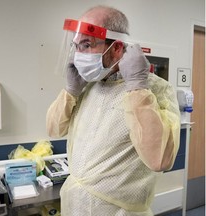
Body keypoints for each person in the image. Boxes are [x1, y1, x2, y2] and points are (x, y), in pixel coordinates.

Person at [46, 5, 181, 216]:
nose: (78, 55)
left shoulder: (155, 89)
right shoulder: (88, 86)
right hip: (75, 205)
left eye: (87, 45)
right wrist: (70, 91)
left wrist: (137, 88)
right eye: (76, 46)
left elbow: (160, 160)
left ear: (117, 47)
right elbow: (54, 130)